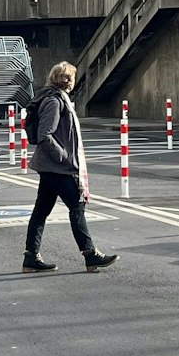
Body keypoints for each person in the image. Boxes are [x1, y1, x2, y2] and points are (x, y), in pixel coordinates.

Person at [22, 62, 118, 273]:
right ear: (67, 80)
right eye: (72, 77)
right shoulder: (54, 102)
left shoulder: (57, 98)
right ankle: (90, 254)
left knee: (41, 211)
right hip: (57, 167)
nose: (73, 81)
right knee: (77, 206)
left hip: (51, 167)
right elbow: (45, 134)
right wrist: (63, 156)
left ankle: (31, 257)